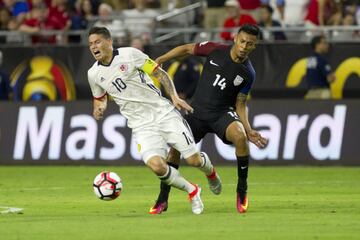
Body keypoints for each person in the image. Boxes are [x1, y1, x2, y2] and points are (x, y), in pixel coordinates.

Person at [87, 27, 222, 215]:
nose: (94, 47)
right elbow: (99, 97)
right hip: (140, 125)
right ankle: (192, 191)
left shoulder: (130, 55)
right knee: (157, 166)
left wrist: (173, 96)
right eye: (91, 44)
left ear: (109, 42)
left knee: (193, 160)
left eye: (97, 42)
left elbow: (160, 74)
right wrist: (99, 108)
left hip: (163, 113)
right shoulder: (93, 74)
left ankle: (211, 173)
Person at [150, 24, 268, 215]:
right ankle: (163, 199)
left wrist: (248, 128)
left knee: (240, 137)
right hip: (197, 113)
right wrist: (162, 59)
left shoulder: (248, 73)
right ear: (235, 39)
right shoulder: (216, 50)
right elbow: (188, 48)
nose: (245, 46)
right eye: (243, 41)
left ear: (255, 46)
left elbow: (240, 103)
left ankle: (242, 190)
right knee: (174, 149)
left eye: (250, 44)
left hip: (221, 114)